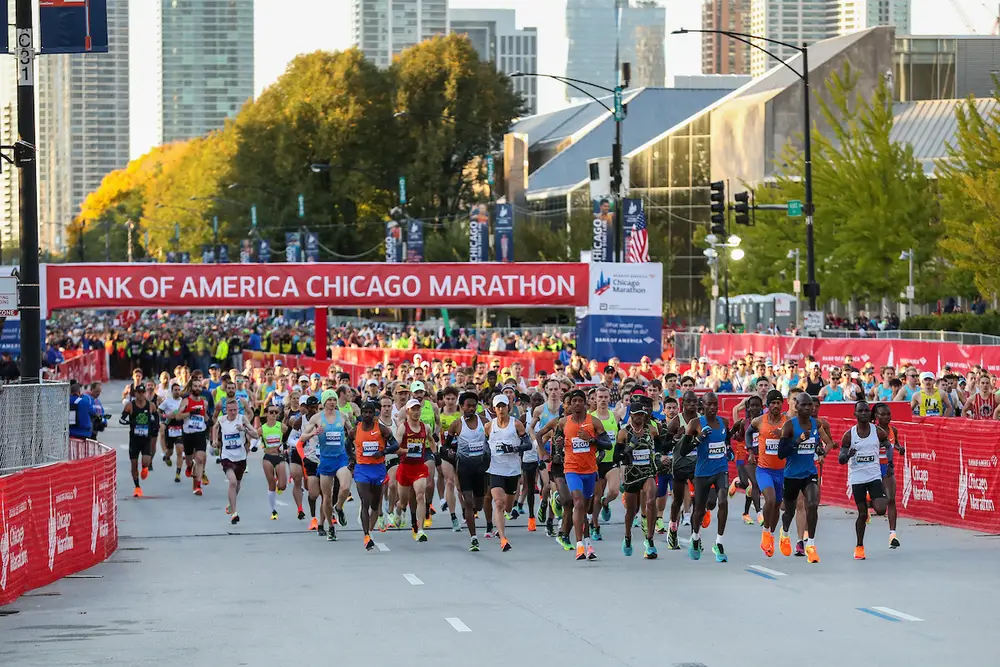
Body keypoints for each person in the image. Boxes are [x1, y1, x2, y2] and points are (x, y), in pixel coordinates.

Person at [552, 389, 612, 560]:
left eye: (580, 400)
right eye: (574, 401)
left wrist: (591, 439)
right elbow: (557, 445)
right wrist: (558, 444)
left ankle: (588, 544)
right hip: (571, 469)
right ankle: (579, 545)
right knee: (577, 502)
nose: (577, 404)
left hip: (590, 470)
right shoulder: (563, 422)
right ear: (569, 405)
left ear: (585, 403)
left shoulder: (594, 422)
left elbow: (607, 445)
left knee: (584, 509)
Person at [679, 392, 730, 562]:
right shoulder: (695, 423)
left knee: (722, 501)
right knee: (699, 509)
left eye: (715, 404)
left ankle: (719, 542)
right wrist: (698, 439)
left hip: (721, 470)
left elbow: (726, 442)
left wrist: (728, 451)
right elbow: (684, 450)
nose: (713, 407)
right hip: (702, 473)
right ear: (703, 405)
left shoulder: (724, 422)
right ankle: (695, 537)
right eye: (709, 404)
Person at [777, 393, 823, 563]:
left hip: (809, 473)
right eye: (804, 405)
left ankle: (810, 545)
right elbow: (781, 453)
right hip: (791, 475)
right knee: (789, 511)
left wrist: (818, 450)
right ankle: (785, 533)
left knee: (812, 503)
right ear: (796, 407)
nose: (807, 408)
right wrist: (797, 442)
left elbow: (816, 443)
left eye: (810, 405)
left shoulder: (815, 424)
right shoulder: (789, 426)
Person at [839, 400, 889, 560]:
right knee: (862, 514)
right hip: (858, 477)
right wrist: (848, 455)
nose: (864, 413)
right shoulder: (849, 435)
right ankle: (859, 546)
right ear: (855, 414)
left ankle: (870, 500)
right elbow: (841, 458)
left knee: (881, 509)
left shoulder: (878, 431)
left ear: (870, 413)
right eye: (860, 411)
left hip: (873, 475)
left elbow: (888, 445)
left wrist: (891, 462)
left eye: (866, 411)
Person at [298, 389, 350, 541]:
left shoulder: (343, 416)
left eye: (334, 400)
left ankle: (339, 507)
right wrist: (313, 434)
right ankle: (331, 528)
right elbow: (302, 437)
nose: (332, 402)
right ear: (324, 402)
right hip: (326, 460)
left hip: (341, 458)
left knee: (345, 487)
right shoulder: (316, 418)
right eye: (329, 400)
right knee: (326, 497)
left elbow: (352, 432)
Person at [484, 394, 532, 552]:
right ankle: (503, 539)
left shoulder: (516, 424)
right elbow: (485, 444)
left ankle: (502, 523)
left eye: (503, 406)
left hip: (512, 471)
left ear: (508, 407)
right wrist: (484, 456)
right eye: (498, 406)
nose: (501, 409)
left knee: (508, 507)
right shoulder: (489, 426)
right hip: (495, 469)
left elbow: (528, 444)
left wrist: (515, 448)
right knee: (498, 502)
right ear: (494, 409)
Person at [618, 394, 664, 558]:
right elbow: (617, 456)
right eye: (637, 415)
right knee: (632, 511)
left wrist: (659, 457)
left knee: (651, 501)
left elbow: (659, 446)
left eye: (642, 415)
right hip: (632, 475)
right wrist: (627, 451)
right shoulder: (624, 433)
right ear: (631, 415)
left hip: (647, 472)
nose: (640, 418)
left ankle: (650, 540)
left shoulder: (652, 430)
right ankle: (627, 536)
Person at [349, 400, 398, 550]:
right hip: (362, 469)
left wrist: (383, 452)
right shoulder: (355, 430)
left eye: (371, 412)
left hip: (378, 469)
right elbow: (346, 444)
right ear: (362, 413)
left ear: (374, 413)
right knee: (366, 501)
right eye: (365, 412)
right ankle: (366, 536)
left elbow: (395, 445)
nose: (368, 415)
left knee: (375, 503)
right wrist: (351, 458)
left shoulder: (382, 429)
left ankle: (370, 531)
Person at [747, 390, 787, 557]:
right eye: (773, 403)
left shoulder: (787, 422)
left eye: (778, 403)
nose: (776, 406)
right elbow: (748, 432)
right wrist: (750, 451)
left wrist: (784, 436)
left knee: (777, 505)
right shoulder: (759, 421)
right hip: (764, 470)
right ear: (768, 405)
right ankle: (765, 531)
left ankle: (771, 535)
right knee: (769, 500)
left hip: (782, 471)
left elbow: (795, 438)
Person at [394, 398, 435, 542]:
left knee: (420, 496)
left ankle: (421, 530)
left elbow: (431, 440)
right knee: (403, 501)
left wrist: (435, 454)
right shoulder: (403, 428)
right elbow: (396, 448)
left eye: (418, 409)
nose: (416, 412)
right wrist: (408, 449)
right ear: (407, 412)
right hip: (405, 468)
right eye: (413, 409)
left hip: (419, 467)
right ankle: (398, 510)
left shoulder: (426, 427)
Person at [212, 397, 258, 524]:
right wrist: (215, 440)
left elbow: (256, 434)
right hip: (227, 456)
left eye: (235, 410)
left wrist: (244, 429)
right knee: (232, 482)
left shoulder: (242, 418)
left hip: (241, 457)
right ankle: (234, 513)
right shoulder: (221, 420)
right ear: (226, 410)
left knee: (237, 485)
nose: (233, 412)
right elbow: (214, 427)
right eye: (230, 410)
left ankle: (230, 503)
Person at [664, 391, 700, 550]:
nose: (692, 404)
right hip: (679, 465)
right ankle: (672, 528)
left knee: (698, 502)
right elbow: (664, 446)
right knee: (677, 501)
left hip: (697, 466)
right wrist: (675, 439)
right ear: (682, 404)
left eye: (695, 402)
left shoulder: (701, 420)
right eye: (689, 402)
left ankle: (695, 536)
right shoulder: (675, 422)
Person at [873, 403, 904, 548]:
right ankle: (868, 501)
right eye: (883, 415)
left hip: (887, 468)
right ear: (876, 417)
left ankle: (893, 534)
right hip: (872, 468)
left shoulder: (894, 430)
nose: (887, 417)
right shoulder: (872, 431)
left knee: (891, 499)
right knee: (879, 509)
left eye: (888, 414)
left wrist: (900, 448)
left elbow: (894, 444)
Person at [591, 386, 619, 542]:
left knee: (614, 491)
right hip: (596, 462)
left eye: (605, 397)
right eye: (600, 397)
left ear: (609, 398)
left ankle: (606, 503)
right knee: (596, 497)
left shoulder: (614, 416)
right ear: (595, 398)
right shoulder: (591, 417)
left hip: (611, 461)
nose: (602, 400)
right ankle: (595, 526)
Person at [729, 394, 763, 525]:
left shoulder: (763, 422)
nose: (754, 408)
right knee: (747, 484)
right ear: (747, 408)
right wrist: (737, 438)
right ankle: (737, 483)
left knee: (753, 485)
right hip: (742, 456)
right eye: (752, 406)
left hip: (757, 457)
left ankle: (748, 513)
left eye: (757, 406)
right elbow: (731, 435)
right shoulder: (743, 423)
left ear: (761, 407)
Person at [120, 384, 155, 498]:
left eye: (142, 393)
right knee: (134, 465)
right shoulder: (130, 406)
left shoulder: (150, 405)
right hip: (134, 439)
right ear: (135, 394)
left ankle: (145, 468)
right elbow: (122, 419)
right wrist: (130, 423)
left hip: (146, 438)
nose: (141, 395)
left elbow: (156, 418)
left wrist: (155, 428)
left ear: (145, 393)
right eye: (139, 393)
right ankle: (137, 487)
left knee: (146, 461)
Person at [178, 378, 211, 496]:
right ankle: (189, 466)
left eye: (199, 386)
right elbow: (178, 416)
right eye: (195, 386)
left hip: (200, 434)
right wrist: (189, 413)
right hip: (188, 435)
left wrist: (211, 423)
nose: (197, 388)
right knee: (189, 460)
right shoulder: (186, 401)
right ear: (191, 388)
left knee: (200, 459)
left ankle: (197, 486)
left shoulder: (204, 403)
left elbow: (205, 417)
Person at [259, 404, 288, 520]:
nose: (274, 414)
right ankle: (273, 510)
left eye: (276, 412)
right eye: (271, 412)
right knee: (271, 483)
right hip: (268, 457)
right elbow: (254, 438)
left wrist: (285, 446)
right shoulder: (262, 428)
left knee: (282, 486)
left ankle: (278, 484)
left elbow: (289, 435)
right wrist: (255, 445)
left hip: (279, 456)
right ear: (266, 414)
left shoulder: (281, 426)